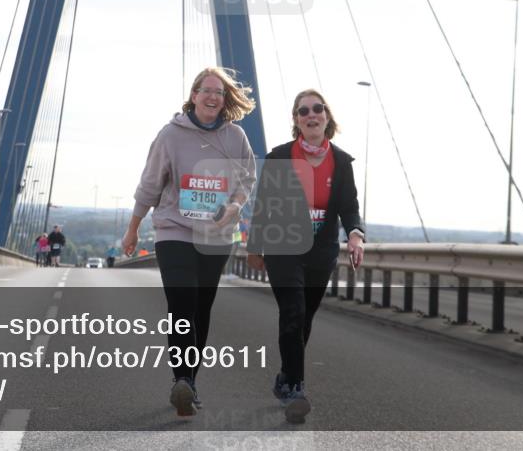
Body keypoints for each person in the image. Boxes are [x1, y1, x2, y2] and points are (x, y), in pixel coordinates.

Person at [122, 67, 257, 417]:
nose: (213, 96)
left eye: (219, 92)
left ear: (225, 100)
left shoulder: (236, 137)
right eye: (206, 90)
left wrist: (236, 205)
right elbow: (150, 184)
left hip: (216, 236)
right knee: (182, 303)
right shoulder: (170, 135)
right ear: (193, 95)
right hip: (175, 231)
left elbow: (247, 179)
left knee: (201, 308)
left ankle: (190, 383)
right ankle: (181, 379)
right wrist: (133, 229)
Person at [246, 90, 364, 424]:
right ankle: (296, 388)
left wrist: (355, 233)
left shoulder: (341, 162)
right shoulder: (280, 157)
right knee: (293, 312)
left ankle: (285, 376)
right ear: (296, 121)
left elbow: (349, 206)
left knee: (305, 318)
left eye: (317, 109)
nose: (311, 115)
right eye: (303, 111)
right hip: (283, 246)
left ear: (327, 116)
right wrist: (255, 245)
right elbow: (264, 204)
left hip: (321, 251)